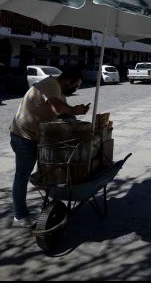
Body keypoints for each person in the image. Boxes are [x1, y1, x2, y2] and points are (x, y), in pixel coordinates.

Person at [10, 65, 90, 228]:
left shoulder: (59, 90)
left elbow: (64, 112)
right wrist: (74, 109)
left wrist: (75, 115)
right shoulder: (52, 84)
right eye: (75, 85)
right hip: (23, 136)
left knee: (48, 169)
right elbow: (57, 107)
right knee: (22, 175)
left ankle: (49, 205)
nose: (75, 89)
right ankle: (19, 216)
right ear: (67, 80)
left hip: (37, 136)